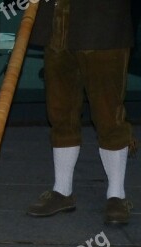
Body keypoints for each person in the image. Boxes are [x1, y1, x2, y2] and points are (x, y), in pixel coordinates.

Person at [26, 0, 135, 225]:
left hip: (103, 27)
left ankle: (117, 195)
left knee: (108, 114)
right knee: (60, 111)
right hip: (57, 29)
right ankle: (62, 190)